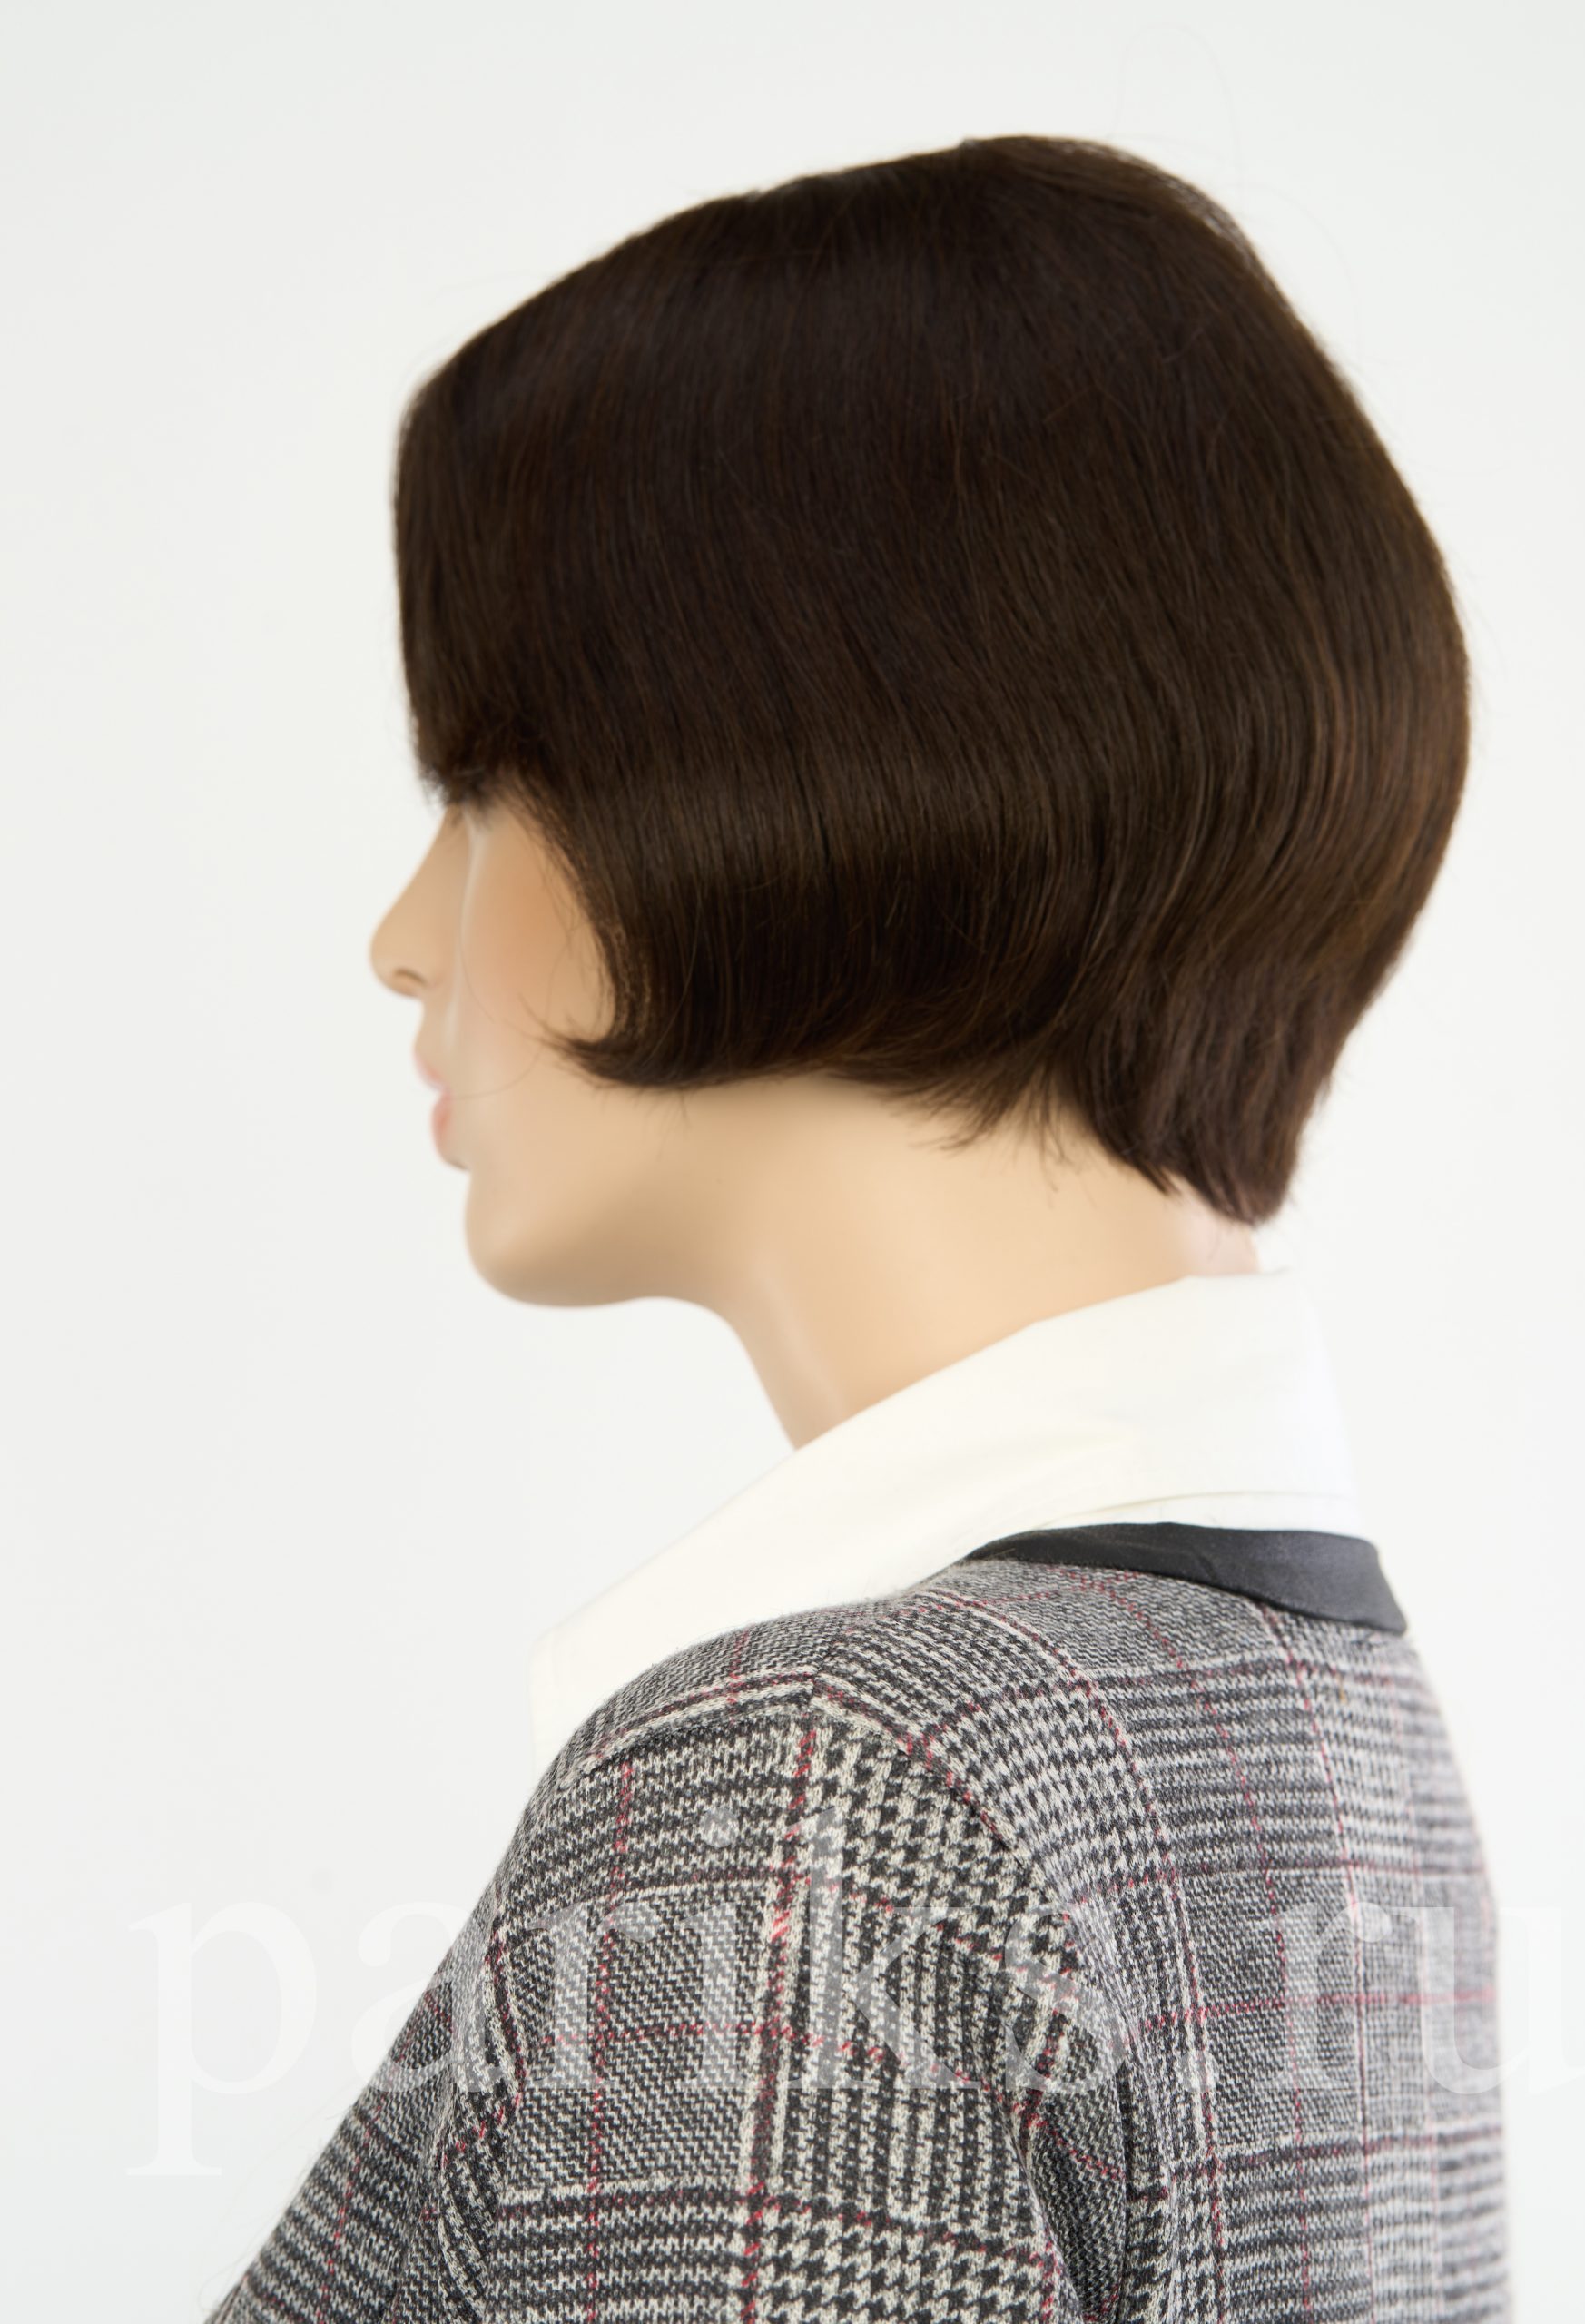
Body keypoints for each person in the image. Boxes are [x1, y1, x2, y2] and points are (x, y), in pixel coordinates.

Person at [206, 133, 1508, 2320]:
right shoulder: (1320, 1703)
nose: (404, 934)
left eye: (486, 785)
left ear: (776, 774)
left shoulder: (817, 1790)